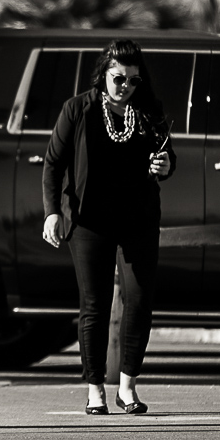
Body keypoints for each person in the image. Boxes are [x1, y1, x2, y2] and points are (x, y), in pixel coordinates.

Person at [41, 39, 175, 416]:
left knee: (138, 301)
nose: (126, 88)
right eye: (119, 79)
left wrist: (165, 166)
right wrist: (53, 212)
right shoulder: (78, 109)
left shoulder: (148, 109)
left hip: (139, 219)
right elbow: (53, 165)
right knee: (95, 305)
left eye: (133, 81)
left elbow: (168, 154)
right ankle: (95, 387)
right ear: (103, 75)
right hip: (90, 221)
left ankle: (128, 387)